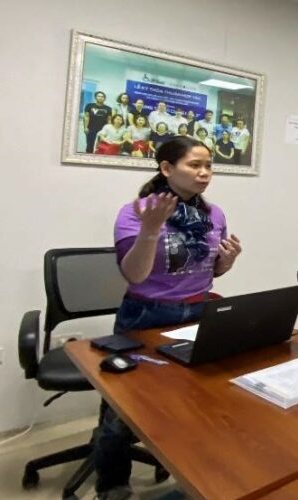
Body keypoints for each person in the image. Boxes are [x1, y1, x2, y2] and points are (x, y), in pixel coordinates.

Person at [99, 137, 242, 499]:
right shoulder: (137, 211)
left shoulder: (215, 214)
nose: (205, 173)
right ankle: (112, 484)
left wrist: (227, 261)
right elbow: (135, 274)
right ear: (166, 168)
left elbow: (210, 271)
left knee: (192, 403)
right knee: (121, 412)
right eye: (195, 165)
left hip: (197, 312)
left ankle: (191, 479)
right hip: (147, 315)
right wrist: (149, 231)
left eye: (209, 165)